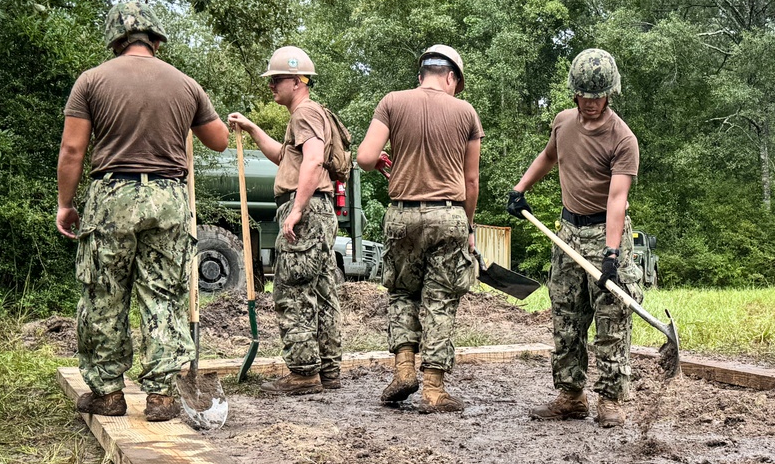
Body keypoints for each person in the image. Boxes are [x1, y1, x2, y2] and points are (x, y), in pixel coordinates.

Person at [56, 1, 229, 422]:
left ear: (116, 39)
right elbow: (220, 141)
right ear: (155, 39)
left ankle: (108, 394)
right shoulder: (186, 85)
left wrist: (65, 204)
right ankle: (162, 397)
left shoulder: (91, 81)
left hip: (111, 196)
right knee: (163, 295)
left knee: (104, 293)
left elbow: (73, 149)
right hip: (170, 198)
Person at [507, 48, 642, 429]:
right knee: (566, 317)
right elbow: (549, 156)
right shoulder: (563, 122)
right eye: (586, 95)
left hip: (606, 234)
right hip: (567, 232)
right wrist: (520, 189)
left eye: (599, 96)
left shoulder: (623, 139)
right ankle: (570, 396)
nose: (592, 103)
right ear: (574, 93)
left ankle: (612, 400)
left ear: (610, 94)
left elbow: (617, 199)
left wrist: (612, 255)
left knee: (611, 318)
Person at [357, 45, 482, 413]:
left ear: (422, 74)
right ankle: (433, 389)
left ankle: (404, 371)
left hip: (402, 216)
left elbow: (364, 158)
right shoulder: (466, 112)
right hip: (448, 216)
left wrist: (382, 158)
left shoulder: (392, 102)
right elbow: (471, 180)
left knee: (401, 293)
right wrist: (468, 225)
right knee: (440, 299)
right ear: (451, 78)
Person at [228, 46, 344, 395]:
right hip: (320, 211)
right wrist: (251, 128)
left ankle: (303, 373)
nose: (271, 85)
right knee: (323, 291)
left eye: (277, 79)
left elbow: (310, 162)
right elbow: (285, 157)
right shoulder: (311, 114)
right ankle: (327, 370)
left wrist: (295, 210)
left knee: (291, 289)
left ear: (297, 81)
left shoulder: (304, 114)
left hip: (305, 209)